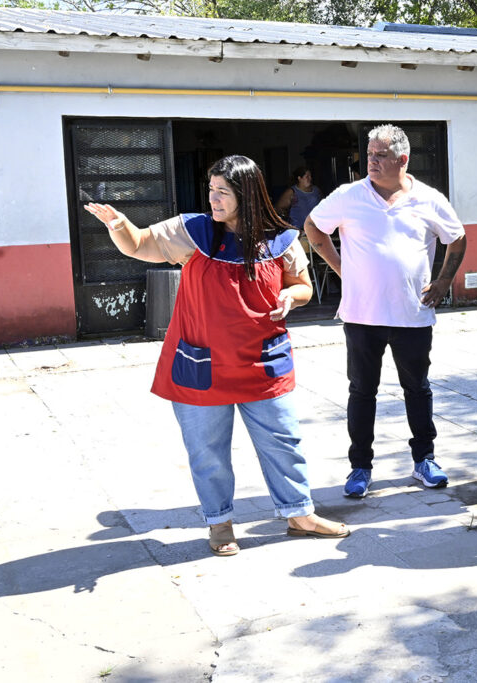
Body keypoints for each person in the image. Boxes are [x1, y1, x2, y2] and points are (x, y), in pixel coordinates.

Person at [84, 155, 349, 557]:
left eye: (222, 191)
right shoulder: (192, 232)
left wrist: (288, 297)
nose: (213, 198)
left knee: (284, 442)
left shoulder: (282, 239)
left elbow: (304, 287)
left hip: (263, 362)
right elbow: (138, 245)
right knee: (208, 452)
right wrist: (119, 225)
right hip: (201, 364)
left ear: (247, 193)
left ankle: (299, 515)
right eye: (211, 190)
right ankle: (220, 523)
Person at [304, 124, 467, 498]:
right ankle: (360, 467)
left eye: (380, 155)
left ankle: (424, 460)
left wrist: (443, 282)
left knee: (418, 389)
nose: (371, 161)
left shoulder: (428, 198)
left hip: (412, 314)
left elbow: (456, 237)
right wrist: (340, 266)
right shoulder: (349, 196)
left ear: (402, 160)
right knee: (362, 391)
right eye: (370, 154)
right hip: (362, 315)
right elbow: (314, 226)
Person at [274, 166, 322, 231]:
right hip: (298, 231)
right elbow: (278, 209)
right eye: (307, 177)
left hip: (315, 229)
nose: (310, 178)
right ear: (299, 178)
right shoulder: (291, 192)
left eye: (310, 176)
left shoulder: (316, 190)